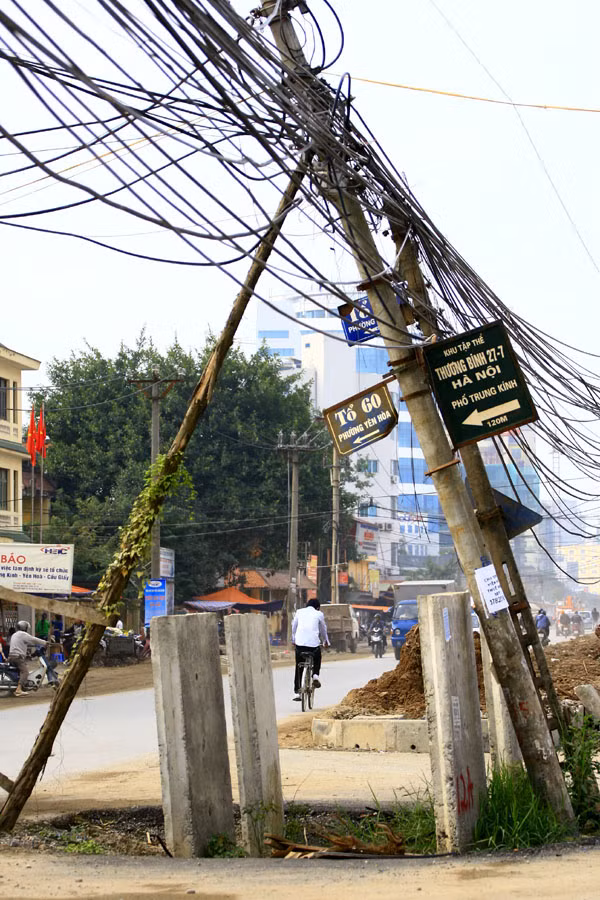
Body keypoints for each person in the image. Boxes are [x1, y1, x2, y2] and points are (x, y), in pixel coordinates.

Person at [291, 598, 329, 701]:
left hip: (299, 645)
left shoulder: (299, 612)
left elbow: (293, 627)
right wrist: (326, 641)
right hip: (313, 646)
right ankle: (315, 676)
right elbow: (323, 629)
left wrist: (293, 639)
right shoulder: (319, 614)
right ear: (317, 607)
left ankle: (297, 693)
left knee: (299, 667)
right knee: (317, 657)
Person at [8, 621, 48, 697]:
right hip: (17, 657)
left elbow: (25, 643)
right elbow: (33, 639)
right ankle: (18, 690)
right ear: (24, 627)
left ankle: (20, 685)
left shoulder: (15, 634)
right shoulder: (23, 634)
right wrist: (45, 642)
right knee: (25, 672)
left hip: (12, 656)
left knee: (22, 669)